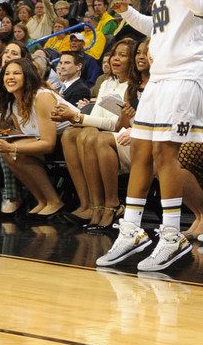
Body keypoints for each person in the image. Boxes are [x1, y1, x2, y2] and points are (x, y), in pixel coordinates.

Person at [96, 0, 203, 272]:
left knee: (166, 152)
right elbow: (158, 28)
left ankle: (170, 234)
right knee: (140, 150)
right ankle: (132, 230)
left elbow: (202, 4)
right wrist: (127, 13)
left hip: (186, 76)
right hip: (160, 77)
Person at [51, 39, 138, 229]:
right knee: (69, 134)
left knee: (88, 135)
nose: (116, 58)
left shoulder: (133, 86)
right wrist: (75, 119)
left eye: (122, 55)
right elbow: (99, 118)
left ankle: (109, 204)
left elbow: (117, 125)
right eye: (115, 54)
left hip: (129, 137)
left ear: (133, 60)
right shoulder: (107, 83)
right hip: (110, 133)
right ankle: (88, 204)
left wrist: (77, 117)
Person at [0, 57, 76, 219]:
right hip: (52, 142)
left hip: (71, 142)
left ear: (27, 76)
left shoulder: (42, 97)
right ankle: (42, 200)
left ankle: (54, 201)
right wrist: (7, 132)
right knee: (5, 147)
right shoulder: (13, 102)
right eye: (7, 74)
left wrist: (12, 147)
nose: (10, 77)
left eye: (16, 73)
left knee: (14, 150)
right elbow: (28, 133)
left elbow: (48, 143)